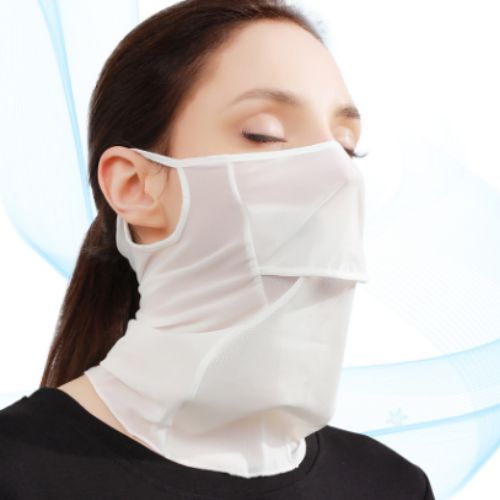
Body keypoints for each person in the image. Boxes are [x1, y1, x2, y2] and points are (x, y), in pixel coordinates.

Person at [0, 0, 436, 498]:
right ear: (134, 185)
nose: (337, 174)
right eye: (265, 134)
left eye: (345, 146)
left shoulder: (390, 486)